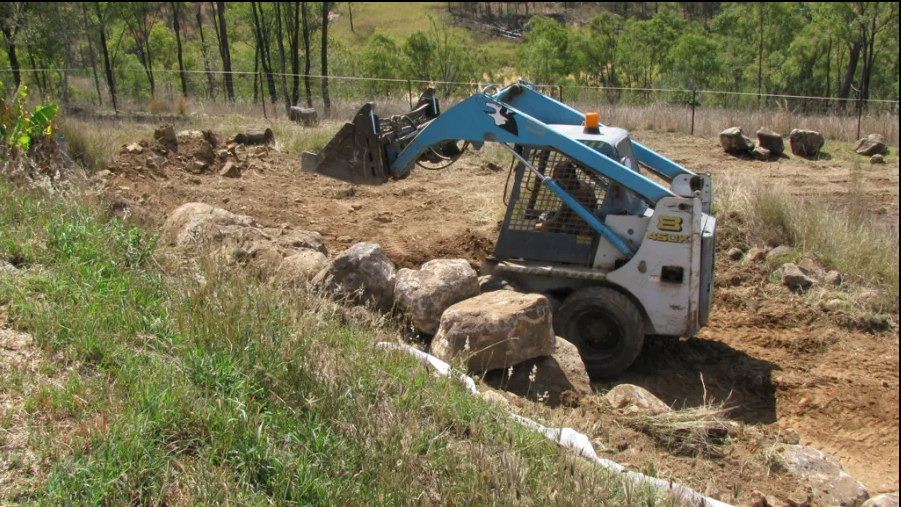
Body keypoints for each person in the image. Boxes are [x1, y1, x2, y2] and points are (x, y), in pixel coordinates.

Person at [535, 161, 598, 235]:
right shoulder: (584, 186)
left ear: (570, 177)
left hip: (575, 233)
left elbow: (555, 223)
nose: (556, 183)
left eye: (558, 179)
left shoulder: (574, 196)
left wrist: (531, 227)